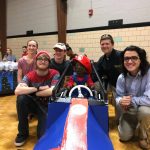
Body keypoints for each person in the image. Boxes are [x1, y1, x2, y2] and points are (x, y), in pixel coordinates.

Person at [14, 51, 60, 147]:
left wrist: (32, 92)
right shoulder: (29, 75)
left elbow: (52, 91)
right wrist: (37, 88)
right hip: (32, 104)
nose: (42, 61)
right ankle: (23, 133)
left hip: (46, 107)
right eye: (40, 59)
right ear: (36, 61)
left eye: (45, 59)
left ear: (49, 62)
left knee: (42, 137)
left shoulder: (55, 73)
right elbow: (17, 91)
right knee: (21, 98)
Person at [115, 46, 150, 147]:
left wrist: (131, 100)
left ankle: (143, 135)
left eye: (134, 58)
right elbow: (118, 97)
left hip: (145, 110)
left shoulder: (148, 74)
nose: (129, 61)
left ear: (141, 60)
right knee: (123, 137)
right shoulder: (121, 78)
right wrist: (121, 101)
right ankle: (135, 125)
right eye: (126, 59)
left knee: (145, 111)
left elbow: (149, 100)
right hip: (129, 112)